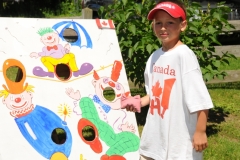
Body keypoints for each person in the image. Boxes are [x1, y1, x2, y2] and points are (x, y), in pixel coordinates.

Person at [123, 0, 214, 159]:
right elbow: (155, 93)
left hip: (179, 142)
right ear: (152, 26)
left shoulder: (184, 56)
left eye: (170, 22)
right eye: (158, 23)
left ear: (183, 25)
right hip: (155, 137)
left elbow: (200, 99)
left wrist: (200, 131)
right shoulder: (154, 57)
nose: (163, 27)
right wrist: (140, 102)